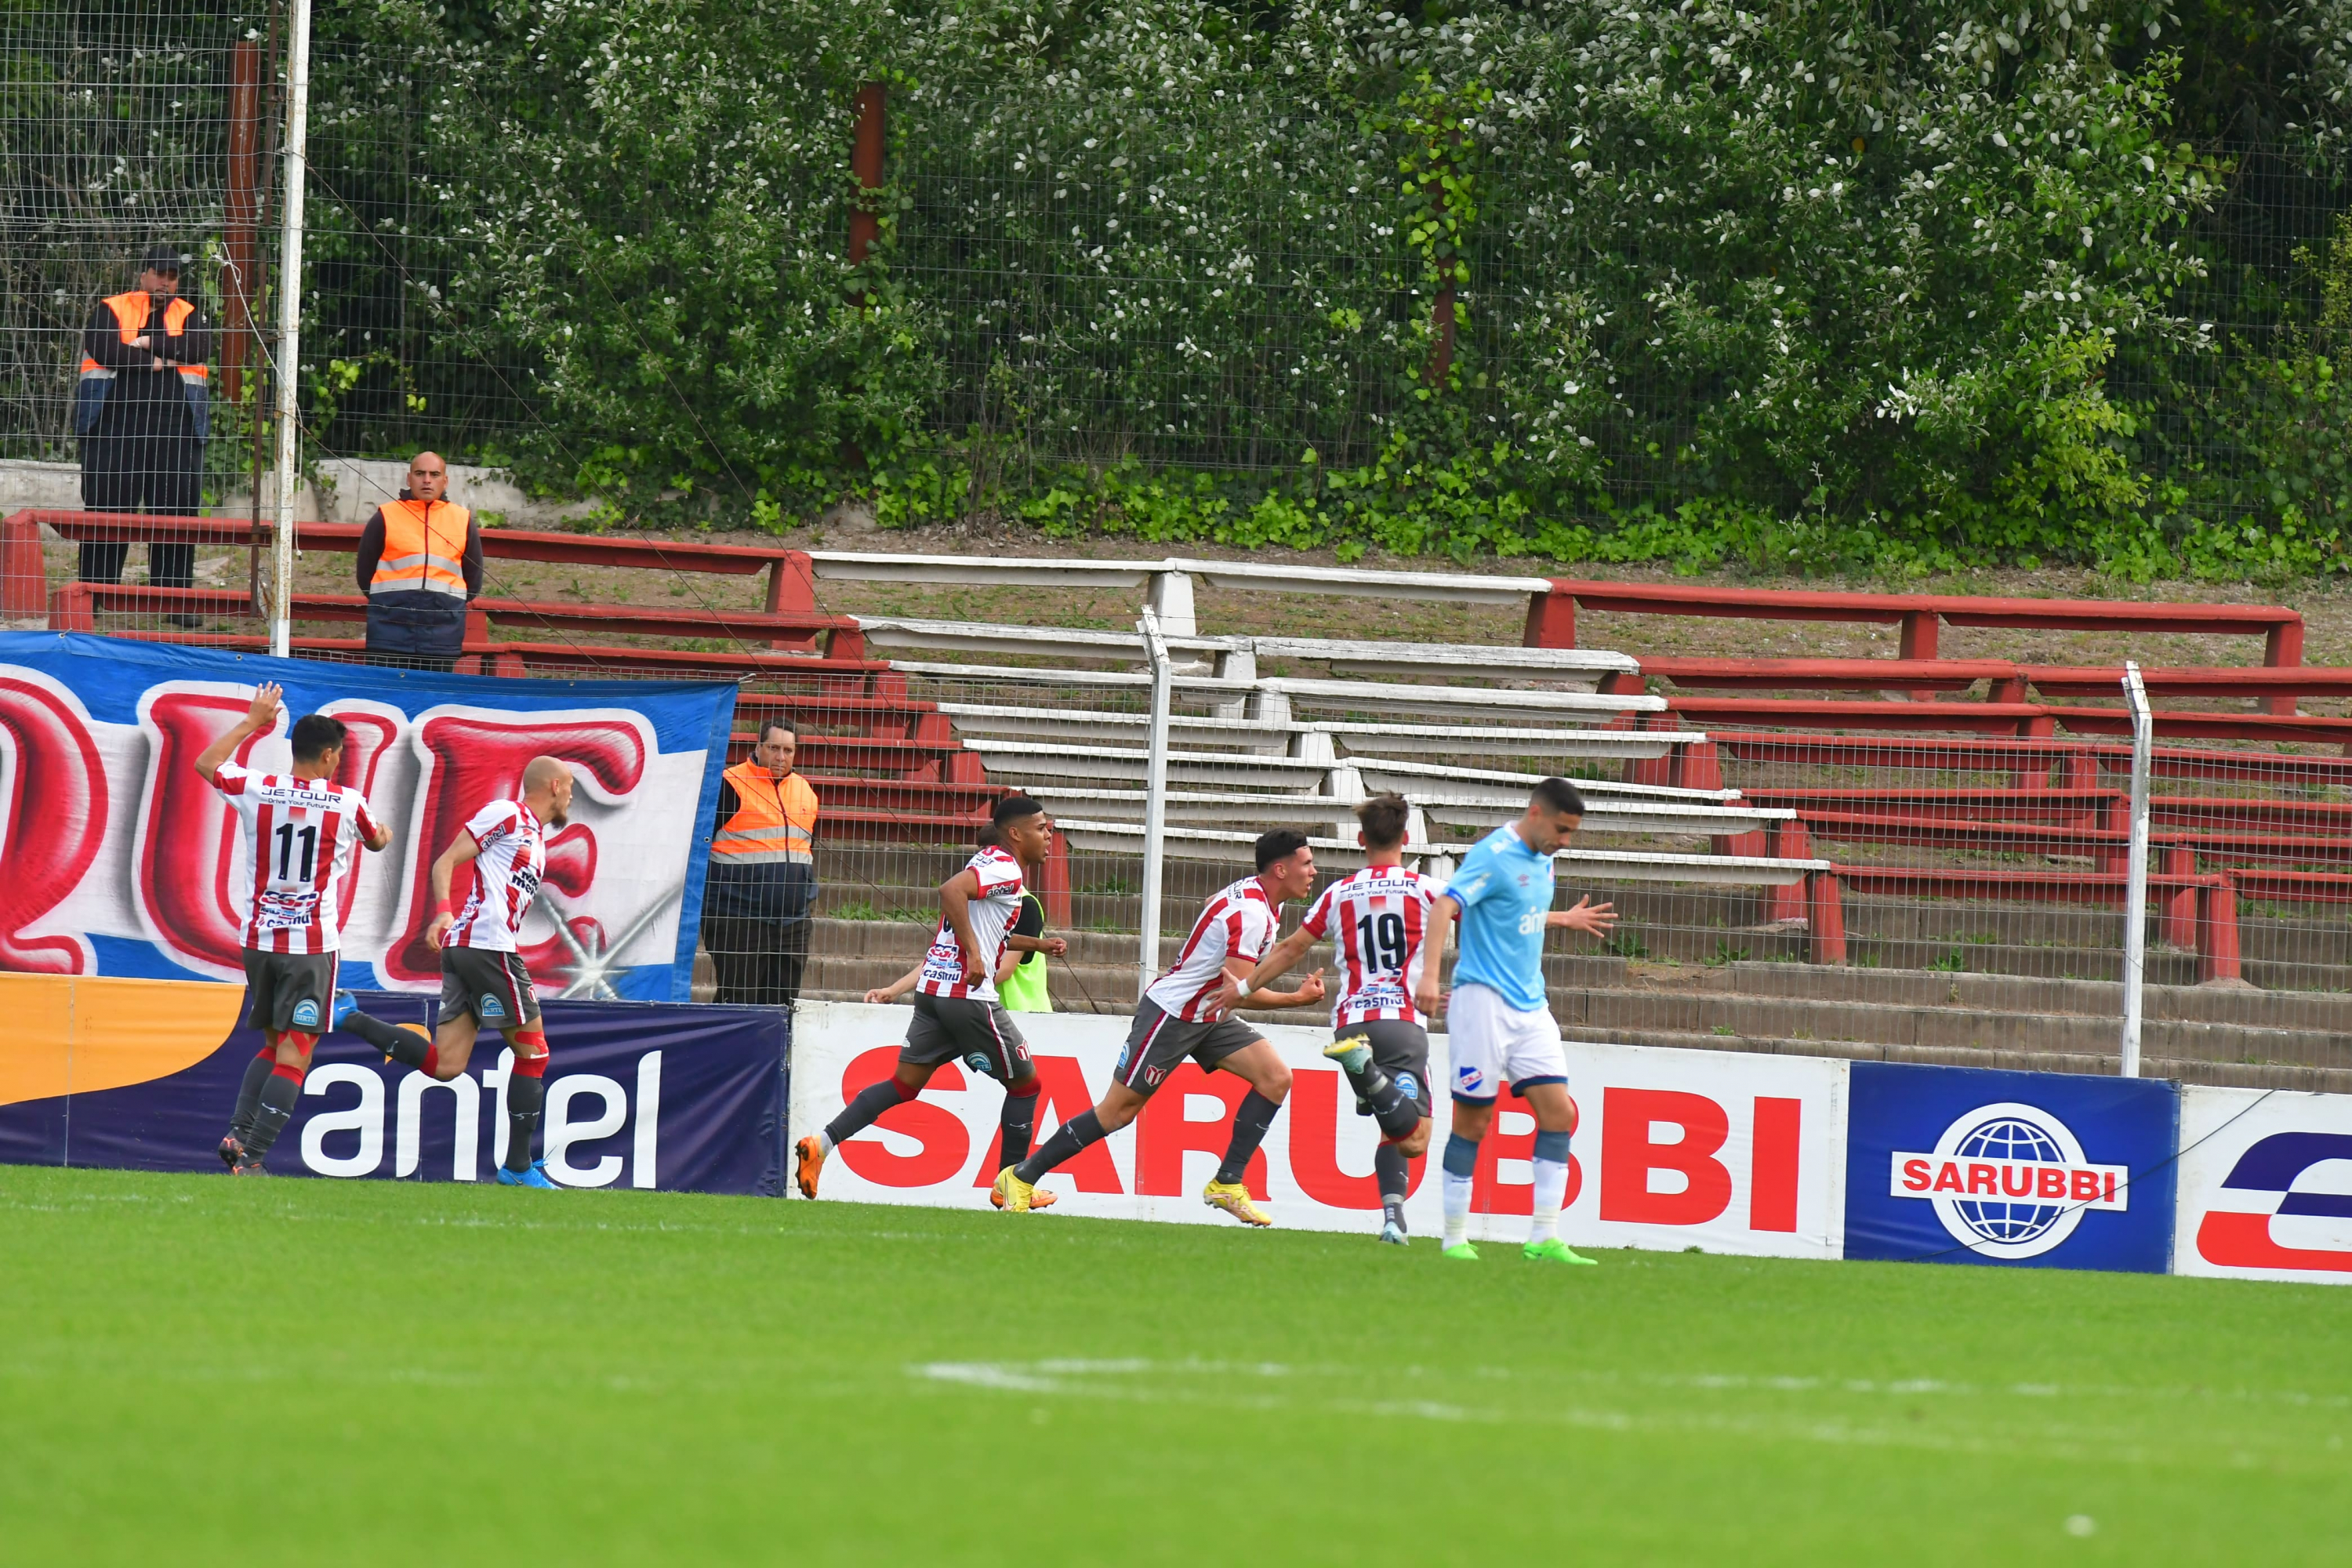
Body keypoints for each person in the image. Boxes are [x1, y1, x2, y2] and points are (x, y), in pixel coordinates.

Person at [993, 829, 1326, 1226]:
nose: (1314, 871)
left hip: (1206, 1014)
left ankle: (1228, 1182)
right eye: (1306, 863)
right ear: (1280, 868)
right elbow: (1238, 993)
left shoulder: (1257, 895)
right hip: (1172, 1015)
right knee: (1117, 1113)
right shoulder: (1253, 914)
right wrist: (1296, 999)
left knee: (1276, 1077)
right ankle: (1020, 1177)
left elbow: (1215, 916)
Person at [797, 797, 1065, 1204]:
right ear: (1016, 833)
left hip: (935, 992)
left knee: (903, 1085)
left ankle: (822, 1144)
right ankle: (1011, 1187)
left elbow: (982, 923)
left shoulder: (988, 862)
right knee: (1027, 1086)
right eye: (1042, 828)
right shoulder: (1006, 869)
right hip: (969, 997)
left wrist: (1037, 944)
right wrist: (976, 956)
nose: (1049, 836)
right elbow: (950, 891)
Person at [1214, 794, 1441, 1246]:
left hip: (1351, 1021)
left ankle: (1393, 1218)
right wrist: (1558, 917)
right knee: (1414, 1137)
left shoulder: (1341, 893)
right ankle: (1371, 1076)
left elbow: (1290, 949)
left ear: (1361, 840)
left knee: (1391, 1124)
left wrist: (1241, 989)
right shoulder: (1426, 890)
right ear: (1407, 839)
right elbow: (1498, 919)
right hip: (1400, 1023)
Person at [1413, 777, 1617, 1265]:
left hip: (1531, 1005)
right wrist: (1429, 976)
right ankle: (1454, 1237)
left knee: (1560, 1113)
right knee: (1474, 1121)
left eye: (1572, 833)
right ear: (1536, 813)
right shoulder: (1493, 854)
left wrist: (1561, 919)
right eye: (1562, 829)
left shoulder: (1544, 857)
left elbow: (1514, 912)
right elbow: (1446, 906)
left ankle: (1543, 1237)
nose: (1565, 841)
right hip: (1482, 1003)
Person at [195, 684, 393, 1175]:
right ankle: (254, 1157)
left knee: (271, 1043)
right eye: (339, 756)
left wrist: (251, 721)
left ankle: (238, 1133)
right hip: (311, 946)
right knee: (296, 1050)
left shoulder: (257, 789)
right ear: (327, 756)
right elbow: (377, 841)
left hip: (258, 940)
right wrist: (382, 833)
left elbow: (206, 764)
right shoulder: (348, 803)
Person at [367, 756, 575, 1189]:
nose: (572, 795)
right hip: (487, 946)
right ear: (554, 785)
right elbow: (445, 862)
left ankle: (350, 1017)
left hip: (471, 947)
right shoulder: (508, 814)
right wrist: (443, 911)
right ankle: (518, 1168)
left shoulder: (535, 836)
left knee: (447, 1066)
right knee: (534, 1053)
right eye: (571, 786)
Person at [76, 245, 211, 617]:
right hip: (112, 429)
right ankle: (95, 598)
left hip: (177, 433)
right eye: (160, 274)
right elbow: (104, 349)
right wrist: (160, 362)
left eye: (173, 276)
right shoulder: (112, 308)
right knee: (107, 514)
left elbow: (200, 347)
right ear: (144, 275)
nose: (166, 282)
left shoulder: (188, 313)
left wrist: (149, 343)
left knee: (176, 517)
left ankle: (176, 603)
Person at [865, 826, 1061, 1013]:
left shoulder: (1025, 905)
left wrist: (952, 988)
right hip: (978, 1009)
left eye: (990, 852)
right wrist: (893, 991)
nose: (983, 858)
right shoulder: (970, 903)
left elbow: (1006, 970)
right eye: (981, 851)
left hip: (1023, 1013)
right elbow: (944, 960)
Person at [701, 720, 818, 1007]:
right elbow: (699, 846)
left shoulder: (805, 791)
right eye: (774, 748)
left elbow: (806, 849)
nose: (781, 757)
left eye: (788, 750)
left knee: (783, 1005)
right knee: (738, 1001)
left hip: (792, 922)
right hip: (737, 918)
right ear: (758, 747)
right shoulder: (730, 784)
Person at [354, 451, 484, 672]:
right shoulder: (385, 516)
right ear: (408, 478)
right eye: (420, 473)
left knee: (434, 703)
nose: (426, 480)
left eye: (434, 474)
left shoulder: (462, 520)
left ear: (445, 481)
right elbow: (365, 574)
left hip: (442, 635)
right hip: (389, 632)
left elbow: (473, 580)